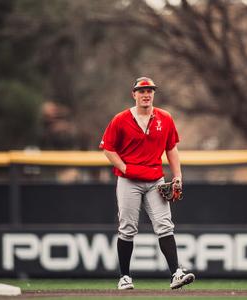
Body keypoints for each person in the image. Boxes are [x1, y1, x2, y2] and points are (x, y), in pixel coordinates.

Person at [99, 77, 195, 290]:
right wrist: (124, 168)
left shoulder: (165, 118)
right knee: (127, 228)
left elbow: (171, 148)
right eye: (142, 91)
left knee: (164, 226)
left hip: (155, 180)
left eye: (150, 91)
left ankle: (176, 274)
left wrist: (177, 175)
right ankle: (124, 277)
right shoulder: (121, 119)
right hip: (128, 180)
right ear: (134, 94)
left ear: (153, 94)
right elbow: (107, 147)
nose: (146, 94)